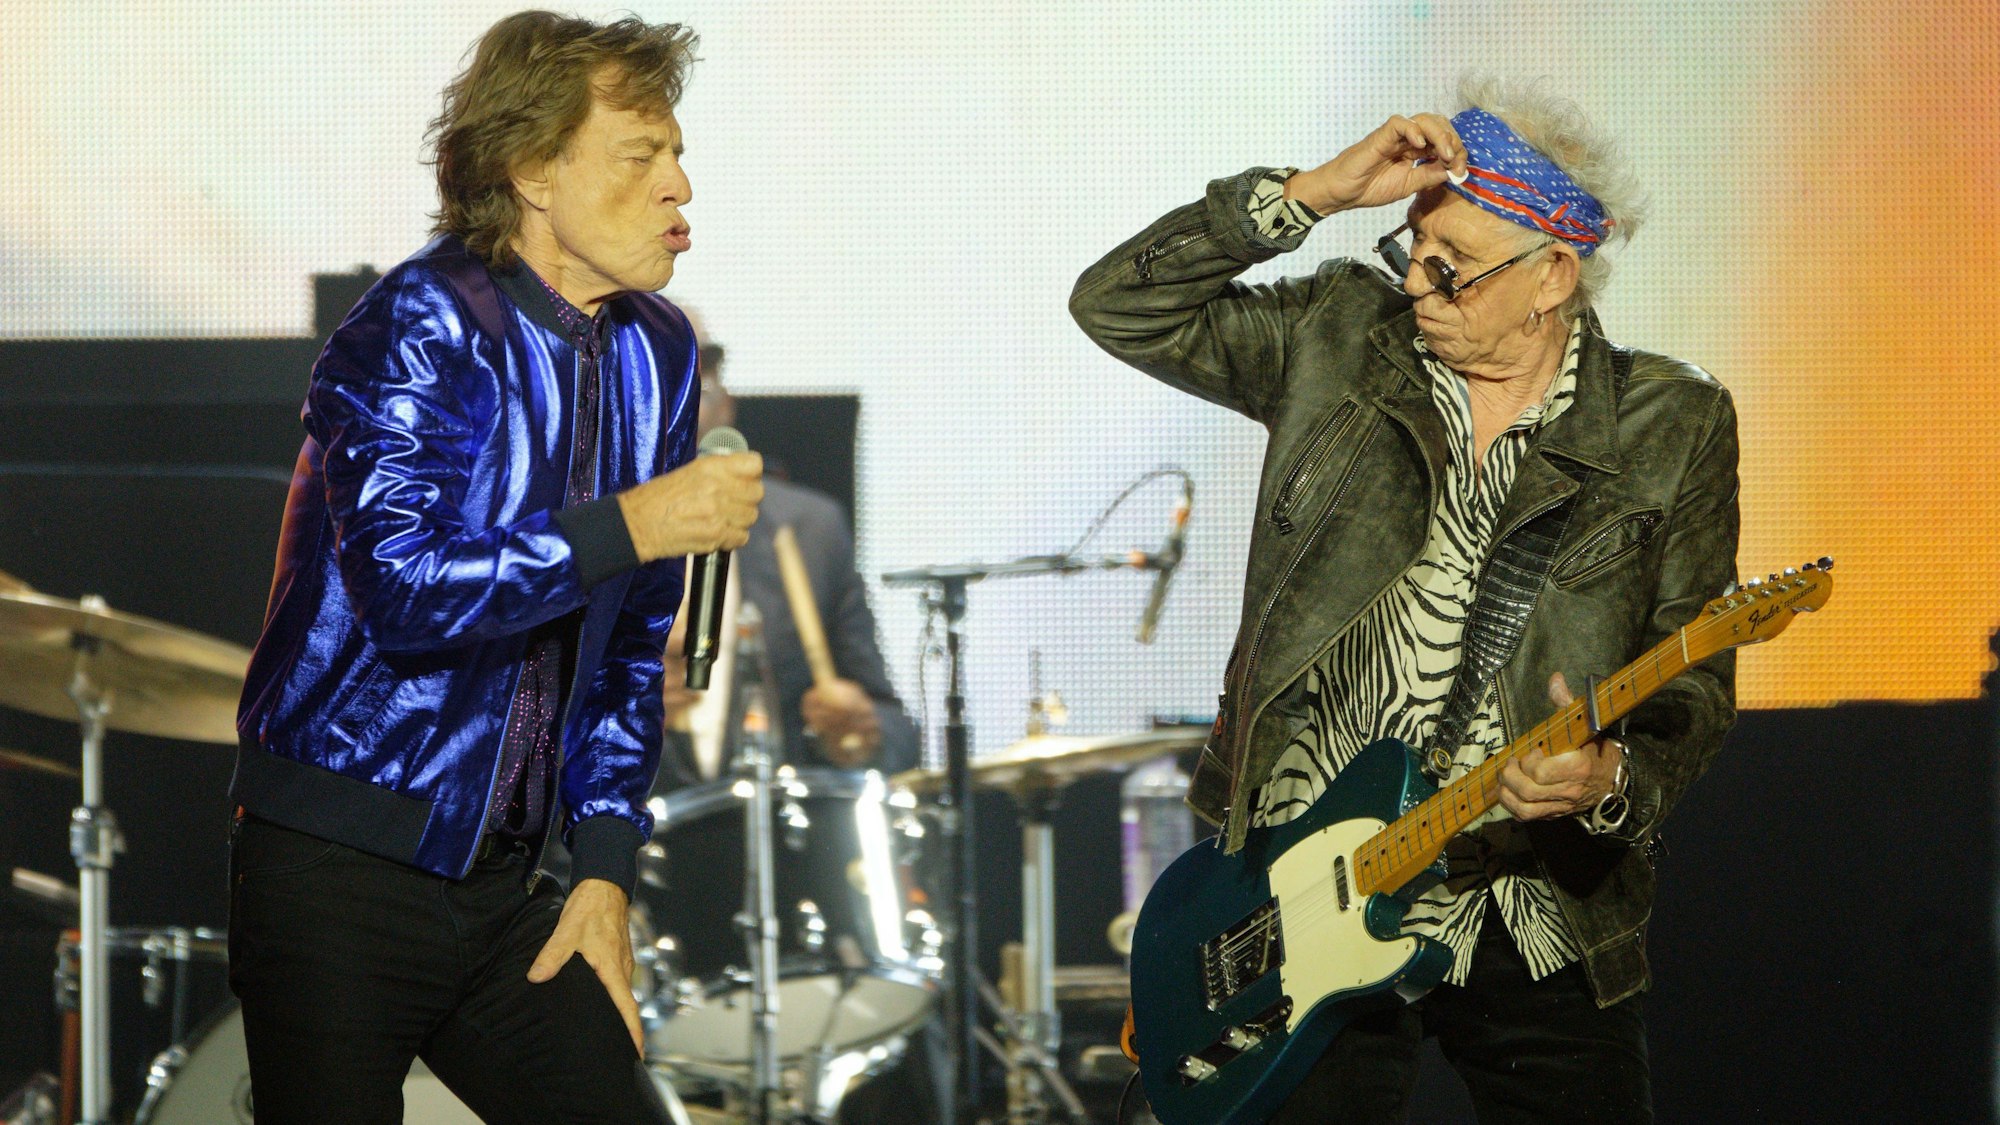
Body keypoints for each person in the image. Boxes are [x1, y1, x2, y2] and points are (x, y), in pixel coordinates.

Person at [1070, 76, 1738, 1122]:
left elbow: (1691, 686)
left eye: (1455, 269)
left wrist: (1609, 776)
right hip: (1298, 883)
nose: (1418, 284)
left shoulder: (1669, 421)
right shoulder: (1338, 336)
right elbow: (1117, 304)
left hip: (1528, 895)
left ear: (1552, 275)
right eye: (1411, 253)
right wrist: (1310, 195)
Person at [228, 12, 762, 1123]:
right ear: (529, 169)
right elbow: (405, 590)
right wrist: (633, 522)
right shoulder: (419, 323)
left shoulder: (657, 349)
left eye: (677, 152)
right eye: (641, 154)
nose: (682, 188)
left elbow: (628, 644)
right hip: (339, 867)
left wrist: (606, 861)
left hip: (510, 883)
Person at [653, 330, 920, 783]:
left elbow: (896, 732)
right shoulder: (560, 533)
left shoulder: (808, 530)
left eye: (697, 383)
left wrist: (858, 734)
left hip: (773, 833)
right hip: (619, 837)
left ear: (725, 408)